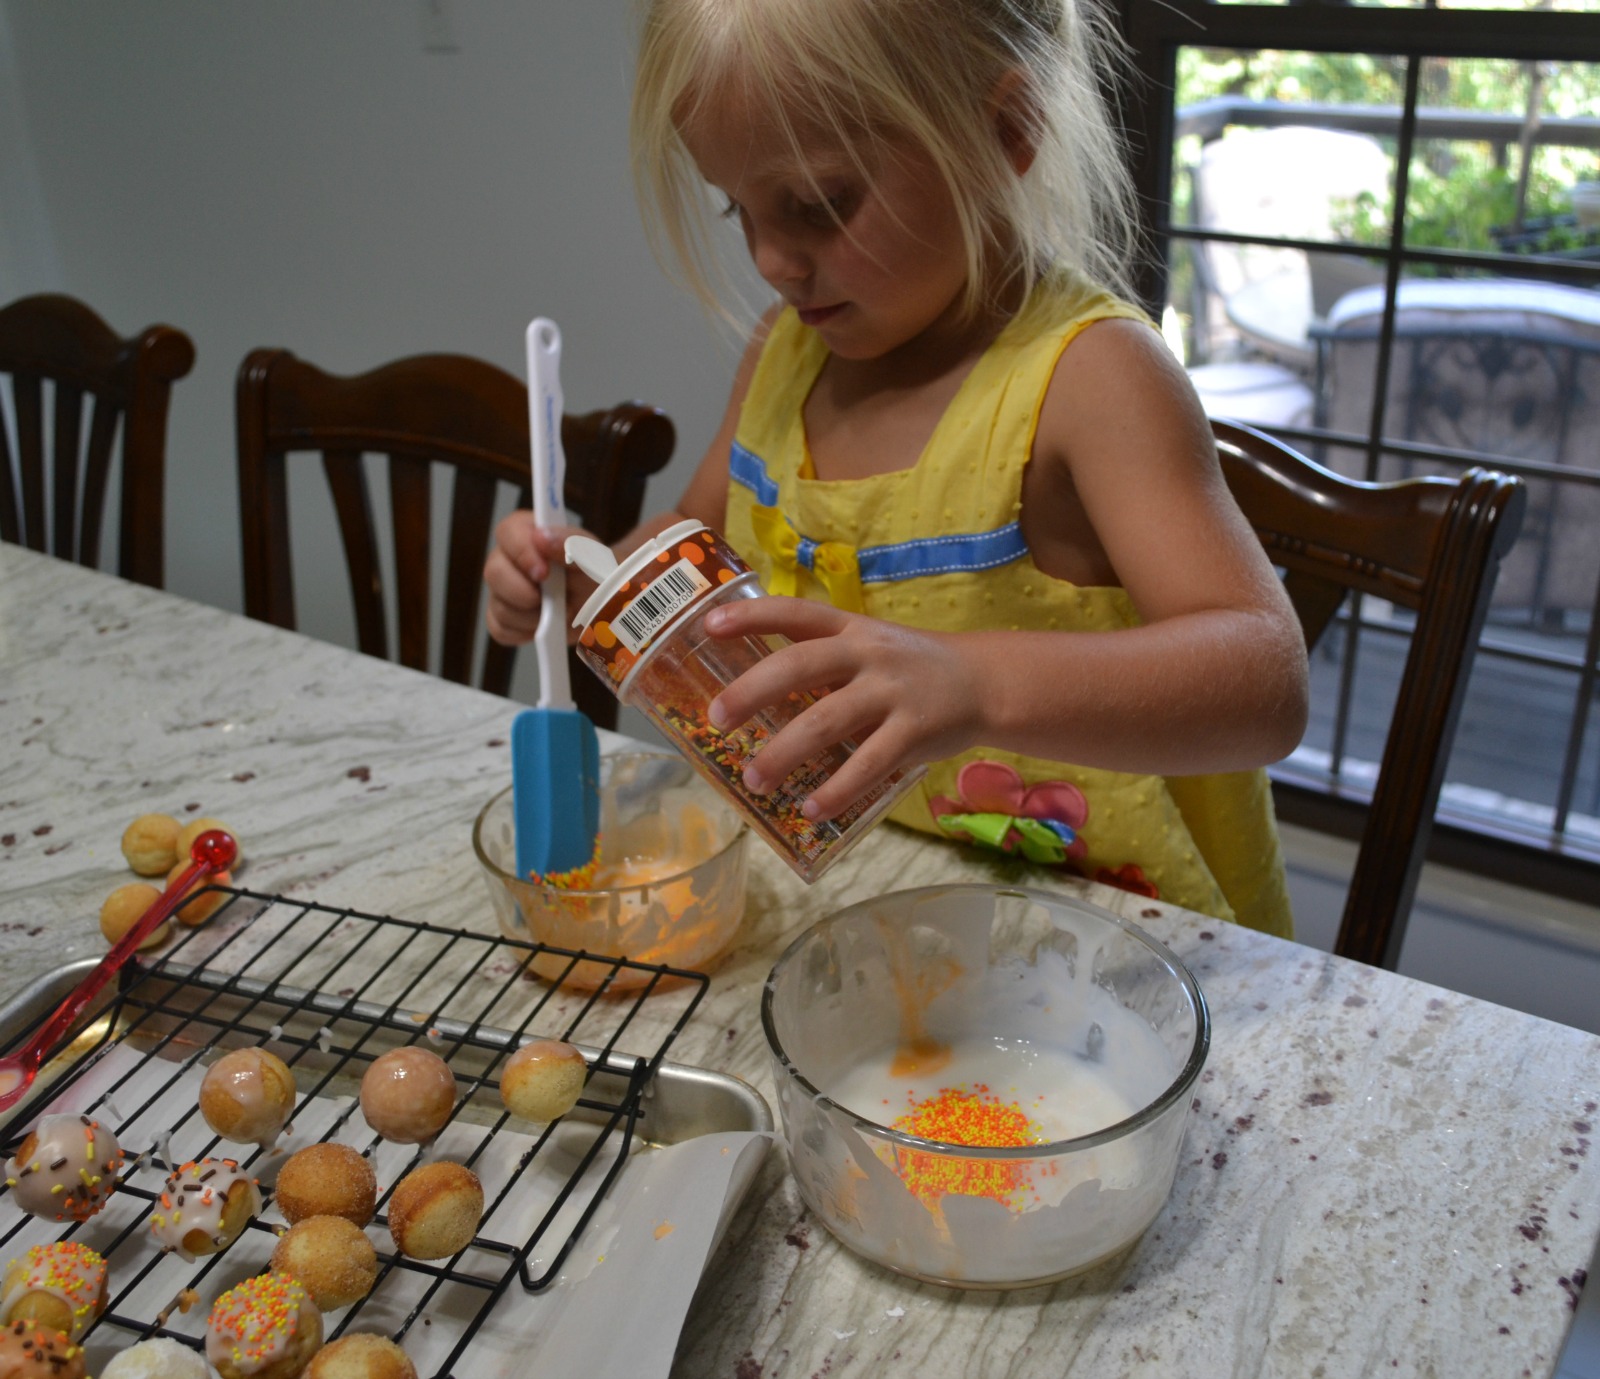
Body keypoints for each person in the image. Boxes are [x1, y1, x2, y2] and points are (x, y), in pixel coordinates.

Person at [485, 0, 1309, 936]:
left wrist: (978, 683)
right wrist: (583, 570)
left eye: (820, 203)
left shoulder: (1091, 381)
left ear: (1005, 130)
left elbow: (1263, 682)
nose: (769, 259)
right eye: (737, 207)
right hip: (874, 908)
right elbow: (693, 552)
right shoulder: (781, 356)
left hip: (1112, 951)